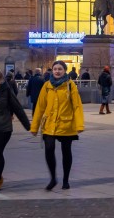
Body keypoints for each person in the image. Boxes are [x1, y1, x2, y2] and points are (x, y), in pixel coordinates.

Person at [30, 61, 84, 190]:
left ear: (64, 71)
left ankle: (66, 180)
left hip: (66, 124)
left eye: (60, 69)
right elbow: (40, 107)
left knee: (66, 151)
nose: (57, 71)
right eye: (55, 69)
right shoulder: (47, 86)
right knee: (49, 149)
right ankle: (53, 178)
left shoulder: (70, 85)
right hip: (49, 124)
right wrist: (34, 126)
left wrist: (79, 125)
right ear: (52, 71)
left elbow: (77, 106)